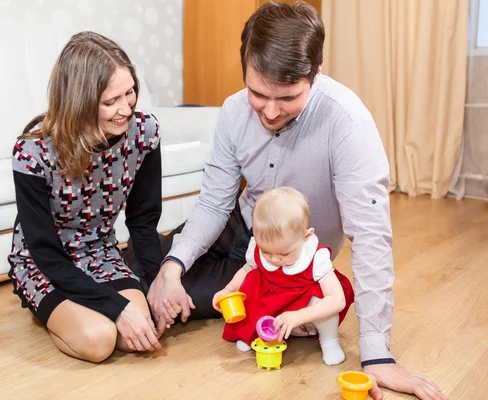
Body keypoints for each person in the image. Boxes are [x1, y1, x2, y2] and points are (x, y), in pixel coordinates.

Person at [145, 2, 445, 399]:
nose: (270, 111)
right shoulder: (235, 112)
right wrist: (172, 267)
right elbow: (215, 203)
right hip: (241, 225)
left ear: (316, 71)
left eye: (287, 97)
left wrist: (376, 355)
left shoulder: (347, 123)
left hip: (286, 259)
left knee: (183, 304)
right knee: (143, 271)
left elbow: (370, 238)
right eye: (257, 93)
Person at [7, 31, 163, 363]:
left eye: (130, 92)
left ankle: (79, 311)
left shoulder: (144, 133)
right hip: (45, 264)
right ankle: (56, 311)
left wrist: (153, 286)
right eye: (111, 101)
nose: (126, 108)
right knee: (99, 341)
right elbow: (44, 251)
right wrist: (117, 308)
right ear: (80, 100)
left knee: (142, 329)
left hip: (99, 253)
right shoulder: (33, 152)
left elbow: (143, 220)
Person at [212, 187, 355, 366]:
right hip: (274, 301)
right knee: (251, 282)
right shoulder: (258, 246)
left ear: (306, 236)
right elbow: (246, 270)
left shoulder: (315, 257)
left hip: (304, 311)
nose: (274, 259)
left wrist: (299, 316)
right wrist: (228, 289)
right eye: (266, 251)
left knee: (321, 301)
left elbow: (337, 300)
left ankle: (329, 341)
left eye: (285, 253)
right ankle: (255, 333)